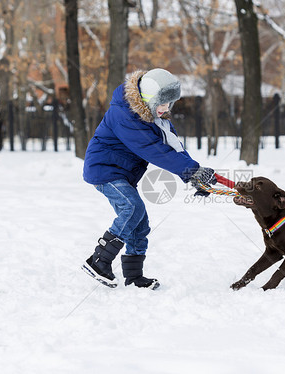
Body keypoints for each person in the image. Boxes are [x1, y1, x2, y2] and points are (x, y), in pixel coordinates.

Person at [82, 68, 217, 290]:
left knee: (139, 223)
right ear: (148, 99)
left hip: (122, 172)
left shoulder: (155, 115)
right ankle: (99, 261)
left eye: (169, 103)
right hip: (104, 170)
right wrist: (190, 171)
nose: (166, 109)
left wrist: (194, 175)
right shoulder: (124, 115)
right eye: (162, 103)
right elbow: (154, 150)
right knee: (132, 208)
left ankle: (134, 277)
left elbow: (172, 146)